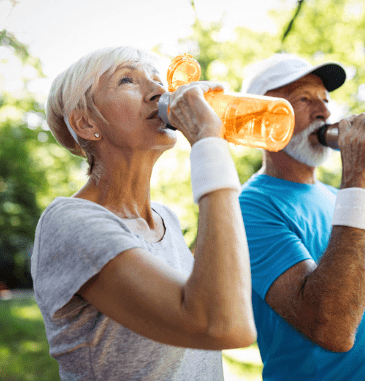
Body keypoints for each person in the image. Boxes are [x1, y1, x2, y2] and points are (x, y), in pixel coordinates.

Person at [30, 46, 256, 380]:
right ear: (86, 122)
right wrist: (209, 141)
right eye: (127, 80)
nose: (160, 92)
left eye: (157, 79)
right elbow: (223, 325)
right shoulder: (69, 223)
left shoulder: (167, 219)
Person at [239, 53, 365, 380]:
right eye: (304, 99)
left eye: (325, 99)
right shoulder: (251, 205)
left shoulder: (337, 197)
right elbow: (333, 328)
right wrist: (358, 179)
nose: (324, 112)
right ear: (259, 119)